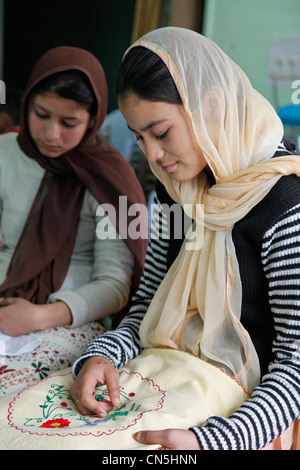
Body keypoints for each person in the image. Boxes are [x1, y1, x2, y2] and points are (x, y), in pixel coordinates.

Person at [70, 27, 300, 450]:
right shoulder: (173, 192)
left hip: (254, 412)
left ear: (209, 105)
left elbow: (296, 362)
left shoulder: (284, 201)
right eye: (140, 137)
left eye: (161, 132)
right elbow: (145, 309)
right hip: (171, 379)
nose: (152, 155)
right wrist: (100, 356)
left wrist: (211, 442)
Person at [0, 46, 147, 396]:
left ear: (93, 119)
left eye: (69, 123)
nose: (51, 135)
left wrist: (38, 316)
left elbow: (115, 287)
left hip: (67, 320)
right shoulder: (6, 154)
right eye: (41, 114)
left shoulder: (110, 177)